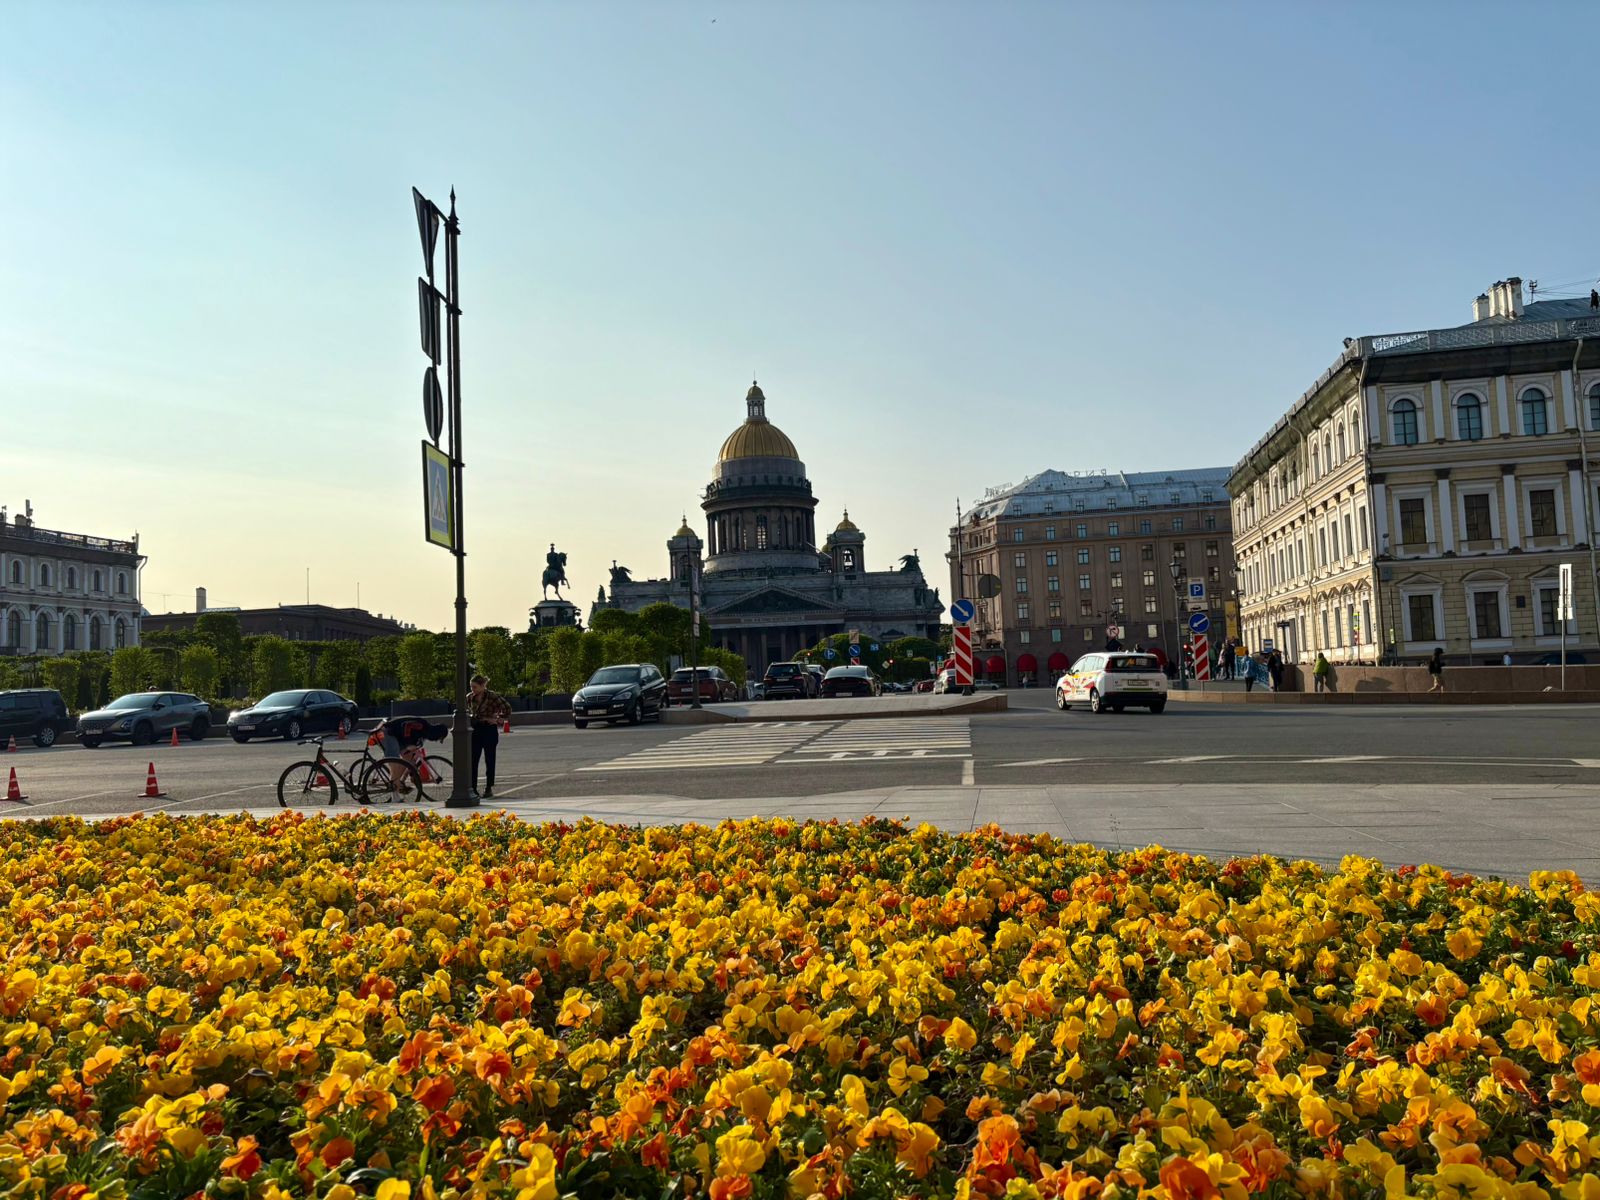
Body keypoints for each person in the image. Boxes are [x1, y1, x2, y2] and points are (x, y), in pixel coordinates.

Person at [372, 713, 448, 795]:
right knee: (396, 763)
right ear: (437, 733)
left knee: (408, 758)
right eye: (439, 738)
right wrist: (409, 744)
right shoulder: (422, 726)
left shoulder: (425, 731)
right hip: (387, 732)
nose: (436, 740)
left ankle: (399, 783)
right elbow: (407, 726)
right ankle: (394, 791)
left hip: (396, 734)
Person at [466, 673, 512, 798]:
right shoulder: (470, 697)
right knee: (473, 760)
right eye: (471, 687)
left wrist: (498, 719)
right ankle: (473, 788)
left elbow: (507, 708)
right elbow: (467, 711)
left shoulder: (492, 696)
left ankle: (488, 787)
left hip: (489, 729)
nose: (472, 690)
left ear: (482, 686)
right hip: (475, 730)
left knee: (489, 759)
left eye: (475, 687)